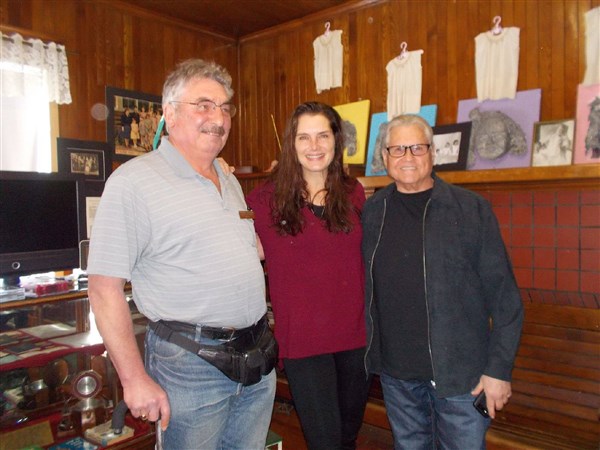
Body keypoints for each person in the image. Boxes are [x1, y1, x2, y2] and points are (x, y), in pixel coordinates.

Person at [86, 59, 276, 450]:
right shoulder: (133, 182)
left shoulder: (228, 179)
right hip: (190, 366)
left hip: (257, 359)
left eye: (225, 108)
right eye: (204, 105)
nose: (218, 118)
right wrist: (134, 378)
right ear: (169, 113)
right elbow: (103, 289)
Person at [362, 114, 524, 449]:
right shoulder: (372, 211)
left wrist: (499, 370)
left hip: (462, 378)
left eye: (417, 148)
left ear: (433, 154)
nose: (408, 157)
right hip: (398, 378)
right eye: (398, 149)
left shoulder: (470, 210)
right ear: (385, 158)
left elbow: (506, 300)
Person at [247, 102, 369, 450]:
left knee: (348, 436)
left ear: (336, 140)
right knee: (325, 441)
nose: (314, 146)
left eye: (322, 135)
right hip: (303, 341)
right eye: (304, 137)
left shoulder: (353, 192)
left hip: (356, 337)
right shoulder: (264, 200)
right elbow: (244, 249)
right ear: (291, 143)